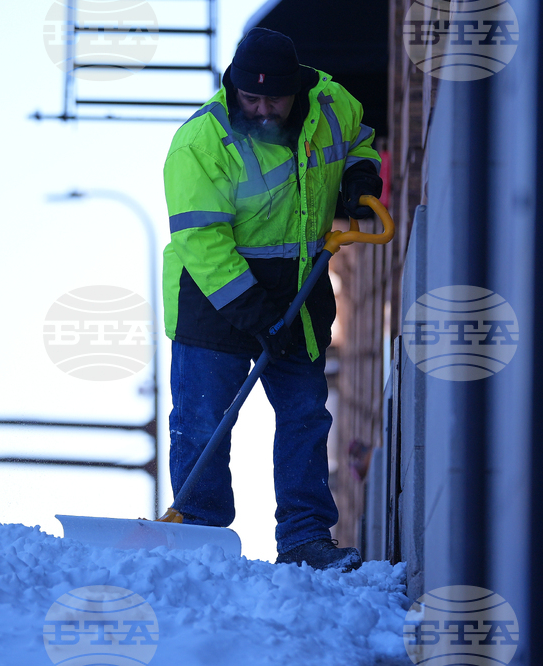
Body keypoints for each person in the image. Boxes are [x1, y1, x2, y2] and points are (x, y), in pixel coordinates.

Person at [161, 28, 382, 571]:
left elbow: (359, 138)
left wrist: (359, 174)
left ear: (298, 90)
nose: (260, 109)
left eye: (273, 99)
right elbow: (202, 242)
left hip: (300, 288)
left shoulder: (332, 104)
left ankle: (306, 538)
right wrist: (257, 314)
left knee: (306, 414)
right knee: (203, 419)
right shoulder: (202, 143)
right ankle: (200, 532)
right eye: (249, 98)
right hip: (216, 296)